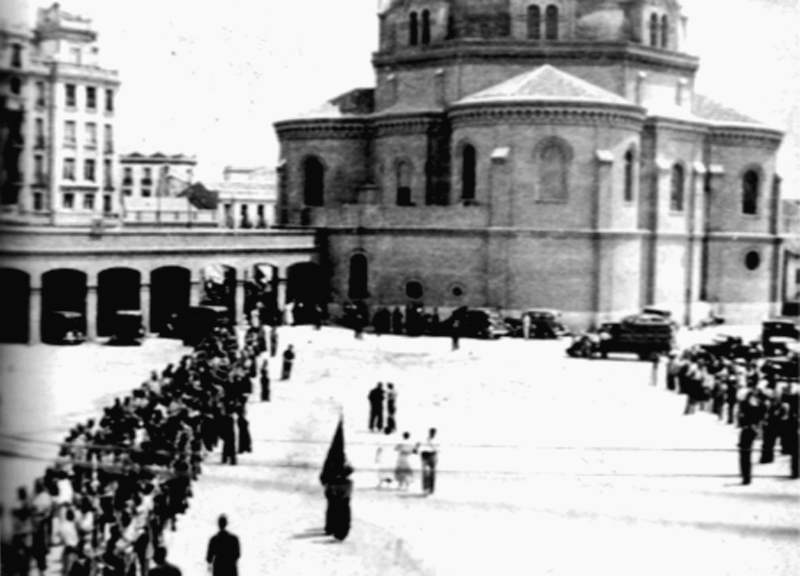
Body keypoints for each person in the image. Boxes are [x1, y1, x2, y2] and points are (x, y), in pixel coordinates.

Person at [323, 464, 354, 541]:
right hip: (342, 501)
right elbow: (347, 493)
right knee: (342, 517)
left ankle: (333, 530)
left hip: (336, 500)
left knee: (334, 514)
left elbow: (328, 491)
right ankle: (339, 533)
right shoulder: (348, 482)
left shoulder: (332, 481)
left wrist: (334, 495)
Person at [419, 428, 439, 495]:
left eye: (433, 432)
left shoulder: (437, 440)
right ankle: (425, 488)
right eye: (431, 432)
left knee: (432, 474)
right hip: (425, 456)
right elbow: (419, 446)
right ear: (429, 432)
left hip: (432, 456)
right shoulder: (424, 439)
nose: (432, 433)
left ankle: (431, 489)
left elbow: (438, 450)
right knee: (425, 473)